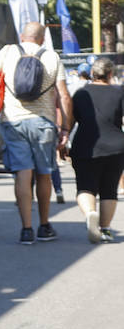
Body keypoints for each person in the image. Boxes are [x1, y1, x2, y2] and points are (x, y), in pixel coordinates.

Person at [0, 21, 69, 244]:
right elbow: (64, 95)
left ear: (22, 36)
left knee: (23, 172)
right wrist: (66, 126)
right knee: (44, 173)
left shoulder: (8, 52)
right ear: (42, 38)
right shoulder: (52, 57)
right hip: (43, 122)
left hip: (14, 121)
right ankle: (45, 225)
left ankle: (26, 229)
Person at [63, 56, 124, 242]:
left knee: (85, 187)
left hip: (86, 146)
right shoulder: (119, 93)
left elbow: (71, 121)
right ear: (110, 73)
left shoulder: (81, 94)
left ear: (92, 73)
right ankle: (105, 230)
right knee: (109, 190)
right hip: (116, 146)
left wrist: (65, 141)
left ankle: (90, 213)